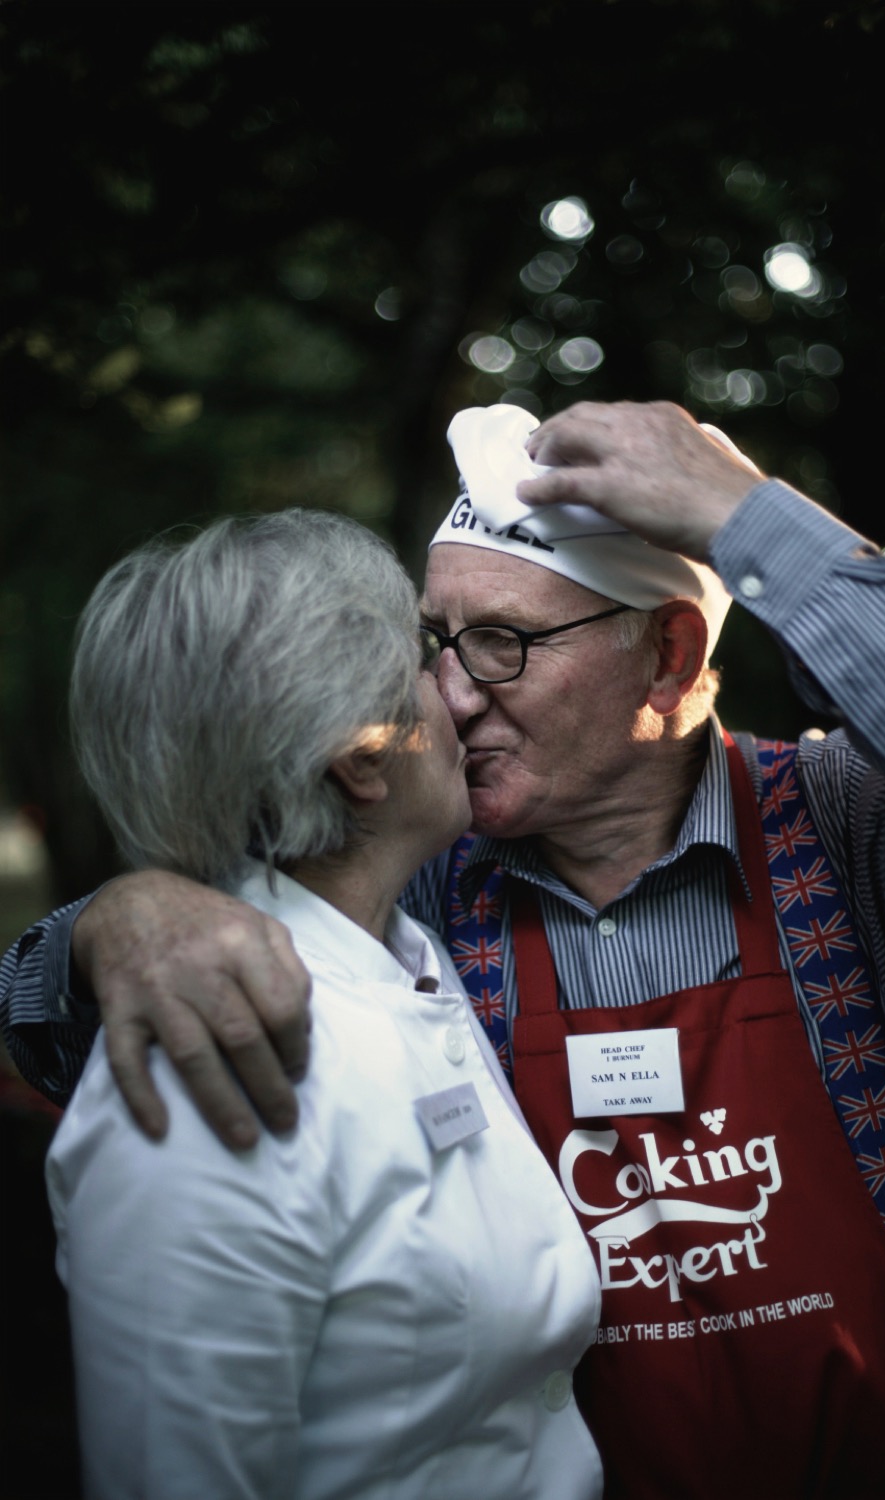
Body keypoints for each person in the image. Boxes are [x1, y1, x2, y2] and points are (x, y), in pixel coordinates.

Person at [3, 399, 885, 1497]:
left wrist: (745, 514)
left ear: (668, 656)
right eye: (440, 640)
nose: (454, 694)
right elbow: (45, 1036)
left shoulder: (841, 828)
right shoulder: (422, 884)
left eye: (504, 643)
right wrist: (119, 920)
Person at [39, 509, 603, 1500]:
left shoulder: (406, 956)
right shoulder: (214, 1067)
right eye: (428, 658)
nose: (462, 693)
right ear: (359, 754)